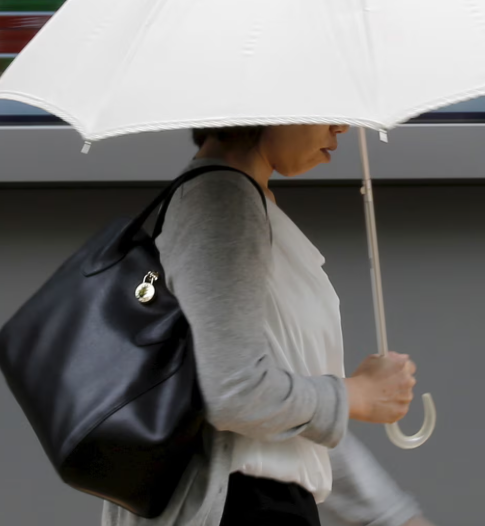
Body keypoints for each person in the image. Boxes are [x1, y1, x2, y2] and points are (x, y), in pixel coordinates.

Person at [101, 124, 436, 526]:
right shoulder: (221, 199)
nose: (340, 126)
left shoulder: (243, 200)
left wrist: (388, 514)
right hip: (244, 508)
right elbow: (234, 390)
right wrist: (357, 394)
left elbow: (284, 420)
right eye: (323, 102)